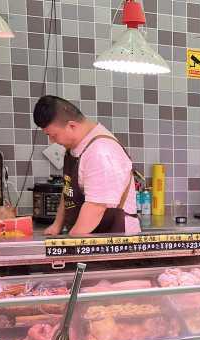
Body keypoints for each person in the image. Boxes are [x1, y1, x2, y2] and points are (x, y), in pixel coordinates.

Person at [33, 95, 140, 235]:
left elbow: (95, 208)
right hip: (90, 235)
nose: (52, 141)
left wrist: (69, 242)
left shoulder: (100, 151)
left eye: (54, 135)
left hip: (115, 238)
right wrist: (57, 225)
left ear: (72, 126)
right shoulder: (75, 148)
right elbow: (68, 191)